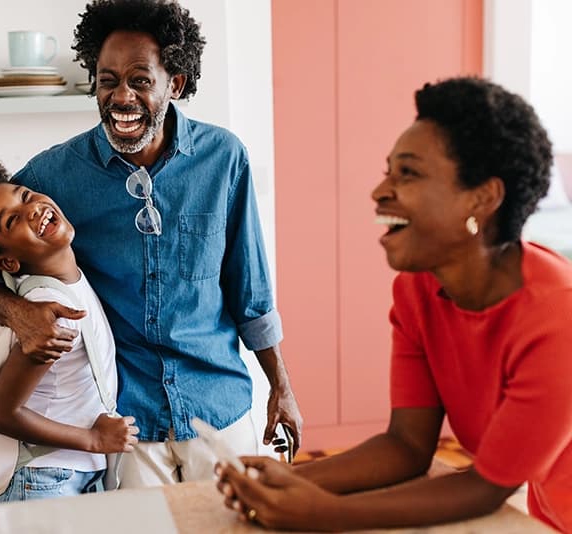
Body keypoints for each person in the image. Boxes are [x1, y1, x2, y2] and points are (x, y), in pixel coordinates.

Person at [0, 0, 303, 488]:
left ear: (174, 84)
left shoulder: (223, 157)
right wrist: (18, 312)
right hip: (128, 423)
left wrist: (282, 387)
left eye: (140, 80)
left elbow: (251, 292)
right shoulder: (53, 177)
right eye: (107, 80)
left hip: (220, 408)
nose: (121, 97)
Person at [217, 76, 572, 532]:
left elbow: (486, 486)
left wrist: (326, 513)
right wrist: (287, 476)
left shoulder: (556, 316)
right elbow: (407, 445)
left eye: (408, 173)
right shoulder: (417, 292)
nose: (380, 190)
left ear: (482, 198)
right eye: (389, 170)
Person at [0, 148, 139, 501]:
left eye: (26, 196)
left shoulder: (69, 282)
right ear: (8, 261)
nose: (32, 209)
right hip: (44, 479)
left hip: (68, 472)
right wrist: (93, 440)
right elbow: (0, 413)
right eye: (12, 221)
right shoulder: (47, 314)